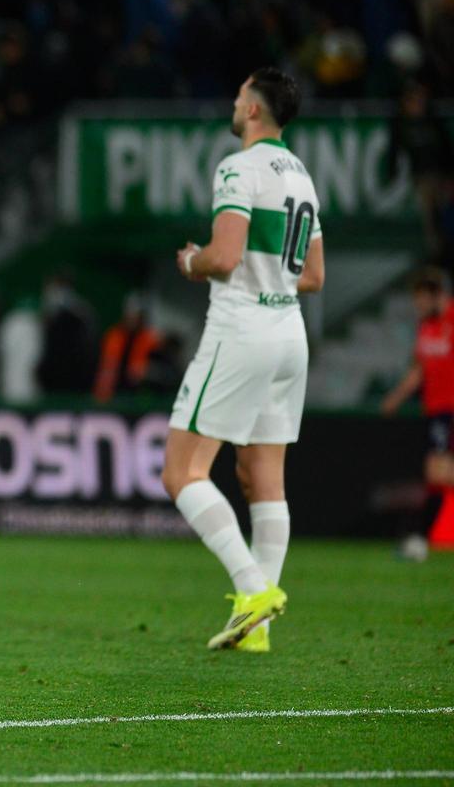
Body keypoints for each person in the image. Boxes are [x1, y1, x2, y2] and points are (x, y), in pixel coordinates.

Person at [160, 68, 325, 653]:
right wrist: (269, 278)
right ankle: (258, 630)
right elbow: (314, 275)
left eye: (238, 96)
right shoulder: (301, 175)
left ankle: (253, 590)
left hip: (243, 329)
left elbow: (225, 257)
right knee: (261, 478)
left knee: (181, 472)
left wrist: (191, 262)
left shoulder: (238, 168)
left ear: (254, 109)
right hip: (289, 333)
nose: (233, 103)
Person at [381, 268, 454, 561]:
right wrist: (395, 398)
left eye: (422, 298)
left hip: (449, 410)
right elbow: (419, 371)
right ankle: (419, 539)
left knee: (436, 473)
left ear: (438, 295)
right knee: (436, 476)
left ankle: (419, 539)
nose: (418, 305)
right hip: (435, 411)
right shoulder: (427, 327)